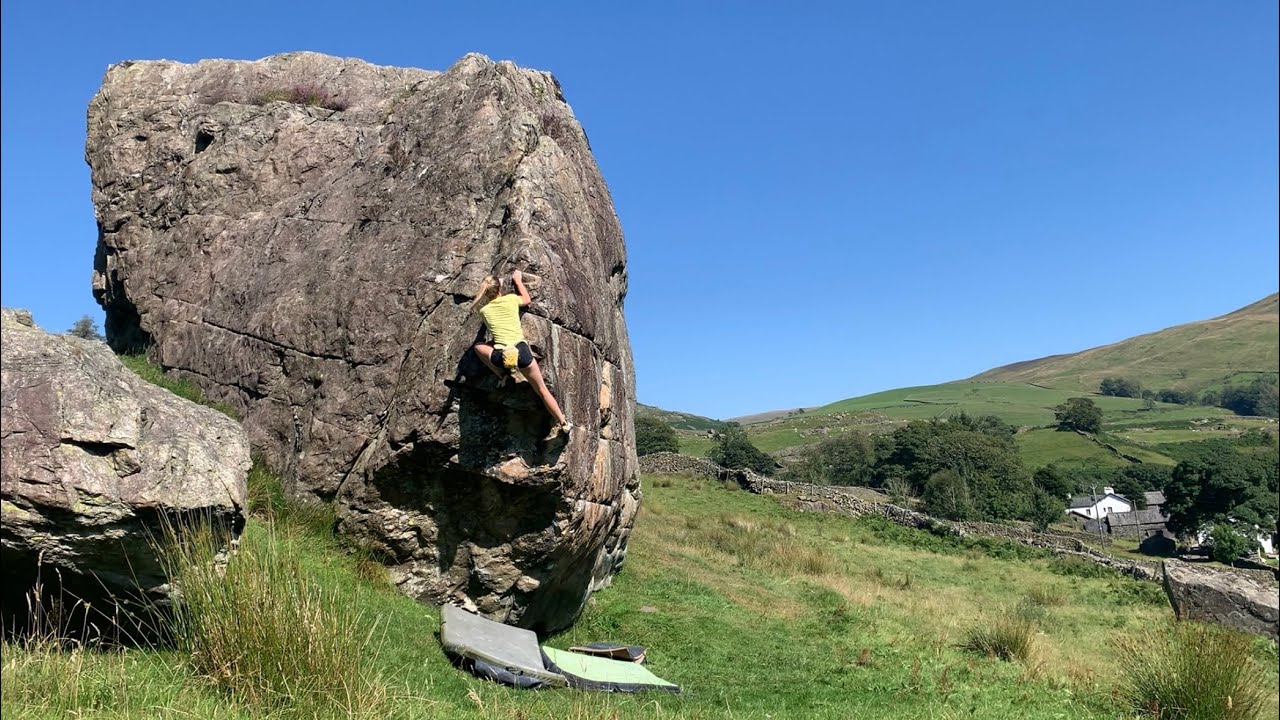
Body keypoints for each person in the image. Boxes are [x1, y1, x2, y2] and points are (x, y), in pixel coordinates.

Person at [471, 270, 573, 436]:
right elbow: (527, 300)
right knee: (542, 390)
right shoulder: (511, 299)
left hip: (501, 356)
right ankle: (563, 422)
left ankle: (501, 374)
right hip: (521, 352)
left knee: (478, 347)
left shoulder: (484, 311)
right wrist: (518, 281)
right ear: (500, 288)